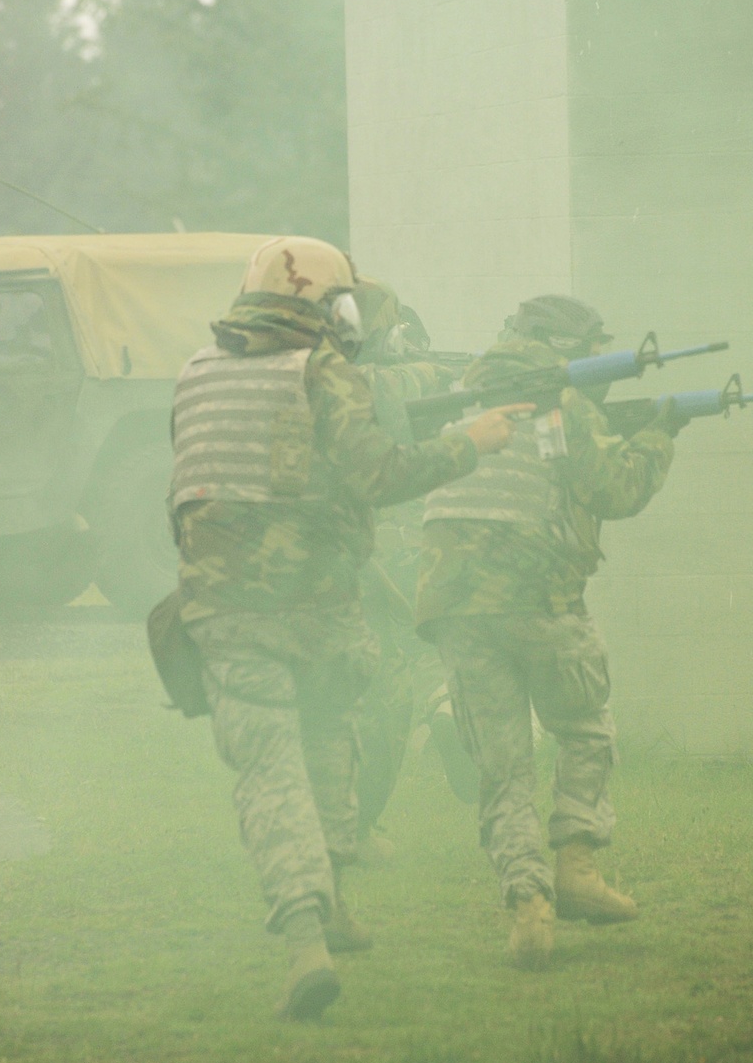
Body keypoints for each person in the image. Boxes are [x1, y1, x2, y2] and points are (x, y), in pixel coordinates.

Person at [170, 236, 526, 1020]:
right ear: (332, 309)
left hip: (227, 613)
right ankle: (306, 943)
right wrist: (473, 440)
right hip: (315, 611)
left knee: (310, 755)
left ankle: (324, 912)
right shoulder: (322, 370)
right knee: (308, 760)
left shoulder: (196, 373)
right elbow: (379, 475)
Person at [415, 294, 681, 970]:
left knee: (502, 767)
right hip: (541, 601)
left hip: (457, 610)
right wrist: (659, 434)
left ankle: (528, 909)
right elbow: (614, 492)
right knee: (585, 731)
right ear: (567, 347)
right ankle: (577, 870)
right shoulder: (561, 398)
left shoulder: (458, 393)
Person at [351, 279, 464, 854]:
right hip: (385, 540)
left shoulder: (321, 370)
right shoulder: (375, 379)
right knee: (398, 670)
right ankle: (445, 704)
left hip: (349, 548)